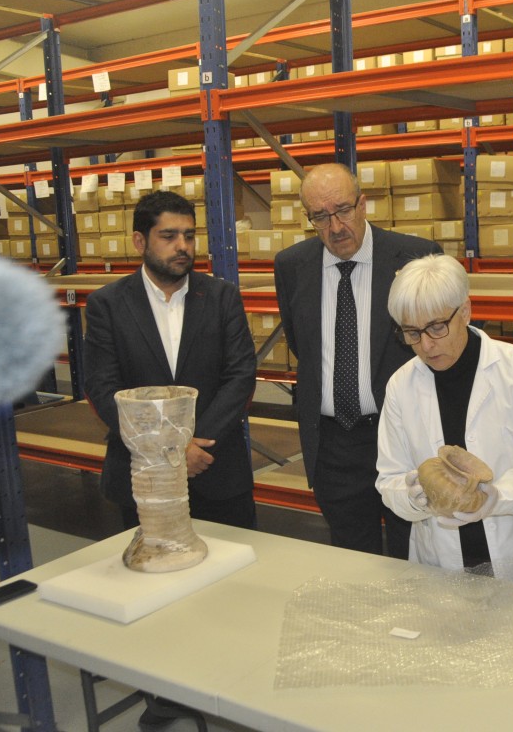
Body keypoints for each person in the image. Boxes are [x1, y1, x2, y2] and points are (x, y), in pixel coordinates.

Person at [375, 254, 513, 589]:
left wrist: (495, 497)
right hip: (443, 557)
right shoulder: (400, 386)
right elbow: (389, 478)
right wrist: (415, 497)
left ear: (464, 311)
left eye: (436, 327)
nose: (425, 345)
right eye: (411, 332)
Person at [274, 163, 440, 558]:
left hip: (403, 437)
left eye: (343, 210)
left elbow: (441, 346)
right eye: (320, 216)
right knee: (353, 560)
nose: (334, 227)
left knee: (414, 554)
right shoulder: (292, 266)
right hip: (335, 445)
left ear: (363, 204)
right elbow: (302, 344)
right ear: (309, 218)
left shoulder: (416, 257)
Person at [84, 189, 258, 531]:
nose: (183, 246)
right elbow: (104, 388)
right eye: (169, 236)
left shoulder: (222, 298)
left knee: (232, 576)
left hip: (215, 467)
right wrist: (170, 451)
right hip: (143, 476)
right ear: (139, 241)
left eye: (189, 236)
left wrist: (194, 444)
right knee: (149, 578)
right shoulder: (107, 305)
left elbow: (240, 376)